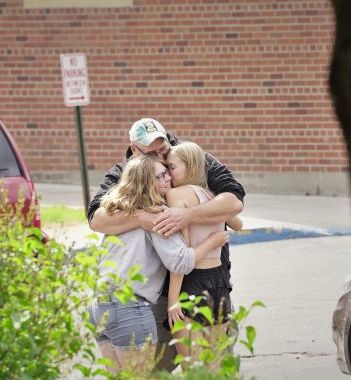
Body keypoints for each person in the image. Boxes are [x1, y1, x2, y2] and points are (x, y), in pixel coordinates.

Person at [87, 117, 246, 371]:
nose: (163, 157)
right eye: (154, 154)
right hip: (161, 297)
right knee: (190, 369)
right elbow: (96, 218)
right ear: (134, 150)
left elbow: (235, 202)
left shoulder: (188, 158)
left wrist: (188, 214)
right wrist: (141, 217)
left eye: (165, 150)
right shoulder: (128, 174)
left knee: (202, 368)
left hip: (203, 283)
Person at [165, 141, 243, 368]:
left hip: (193, 283)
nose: (168, 174)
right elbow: (237, 223)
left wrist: (172, 301)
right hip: (219, 283)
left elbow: (182, 256)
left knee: (193, 368)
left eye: (172, 167)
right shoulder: (210, 194)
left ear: (190, 167)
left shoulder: (177, 195)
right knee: (214, 366)